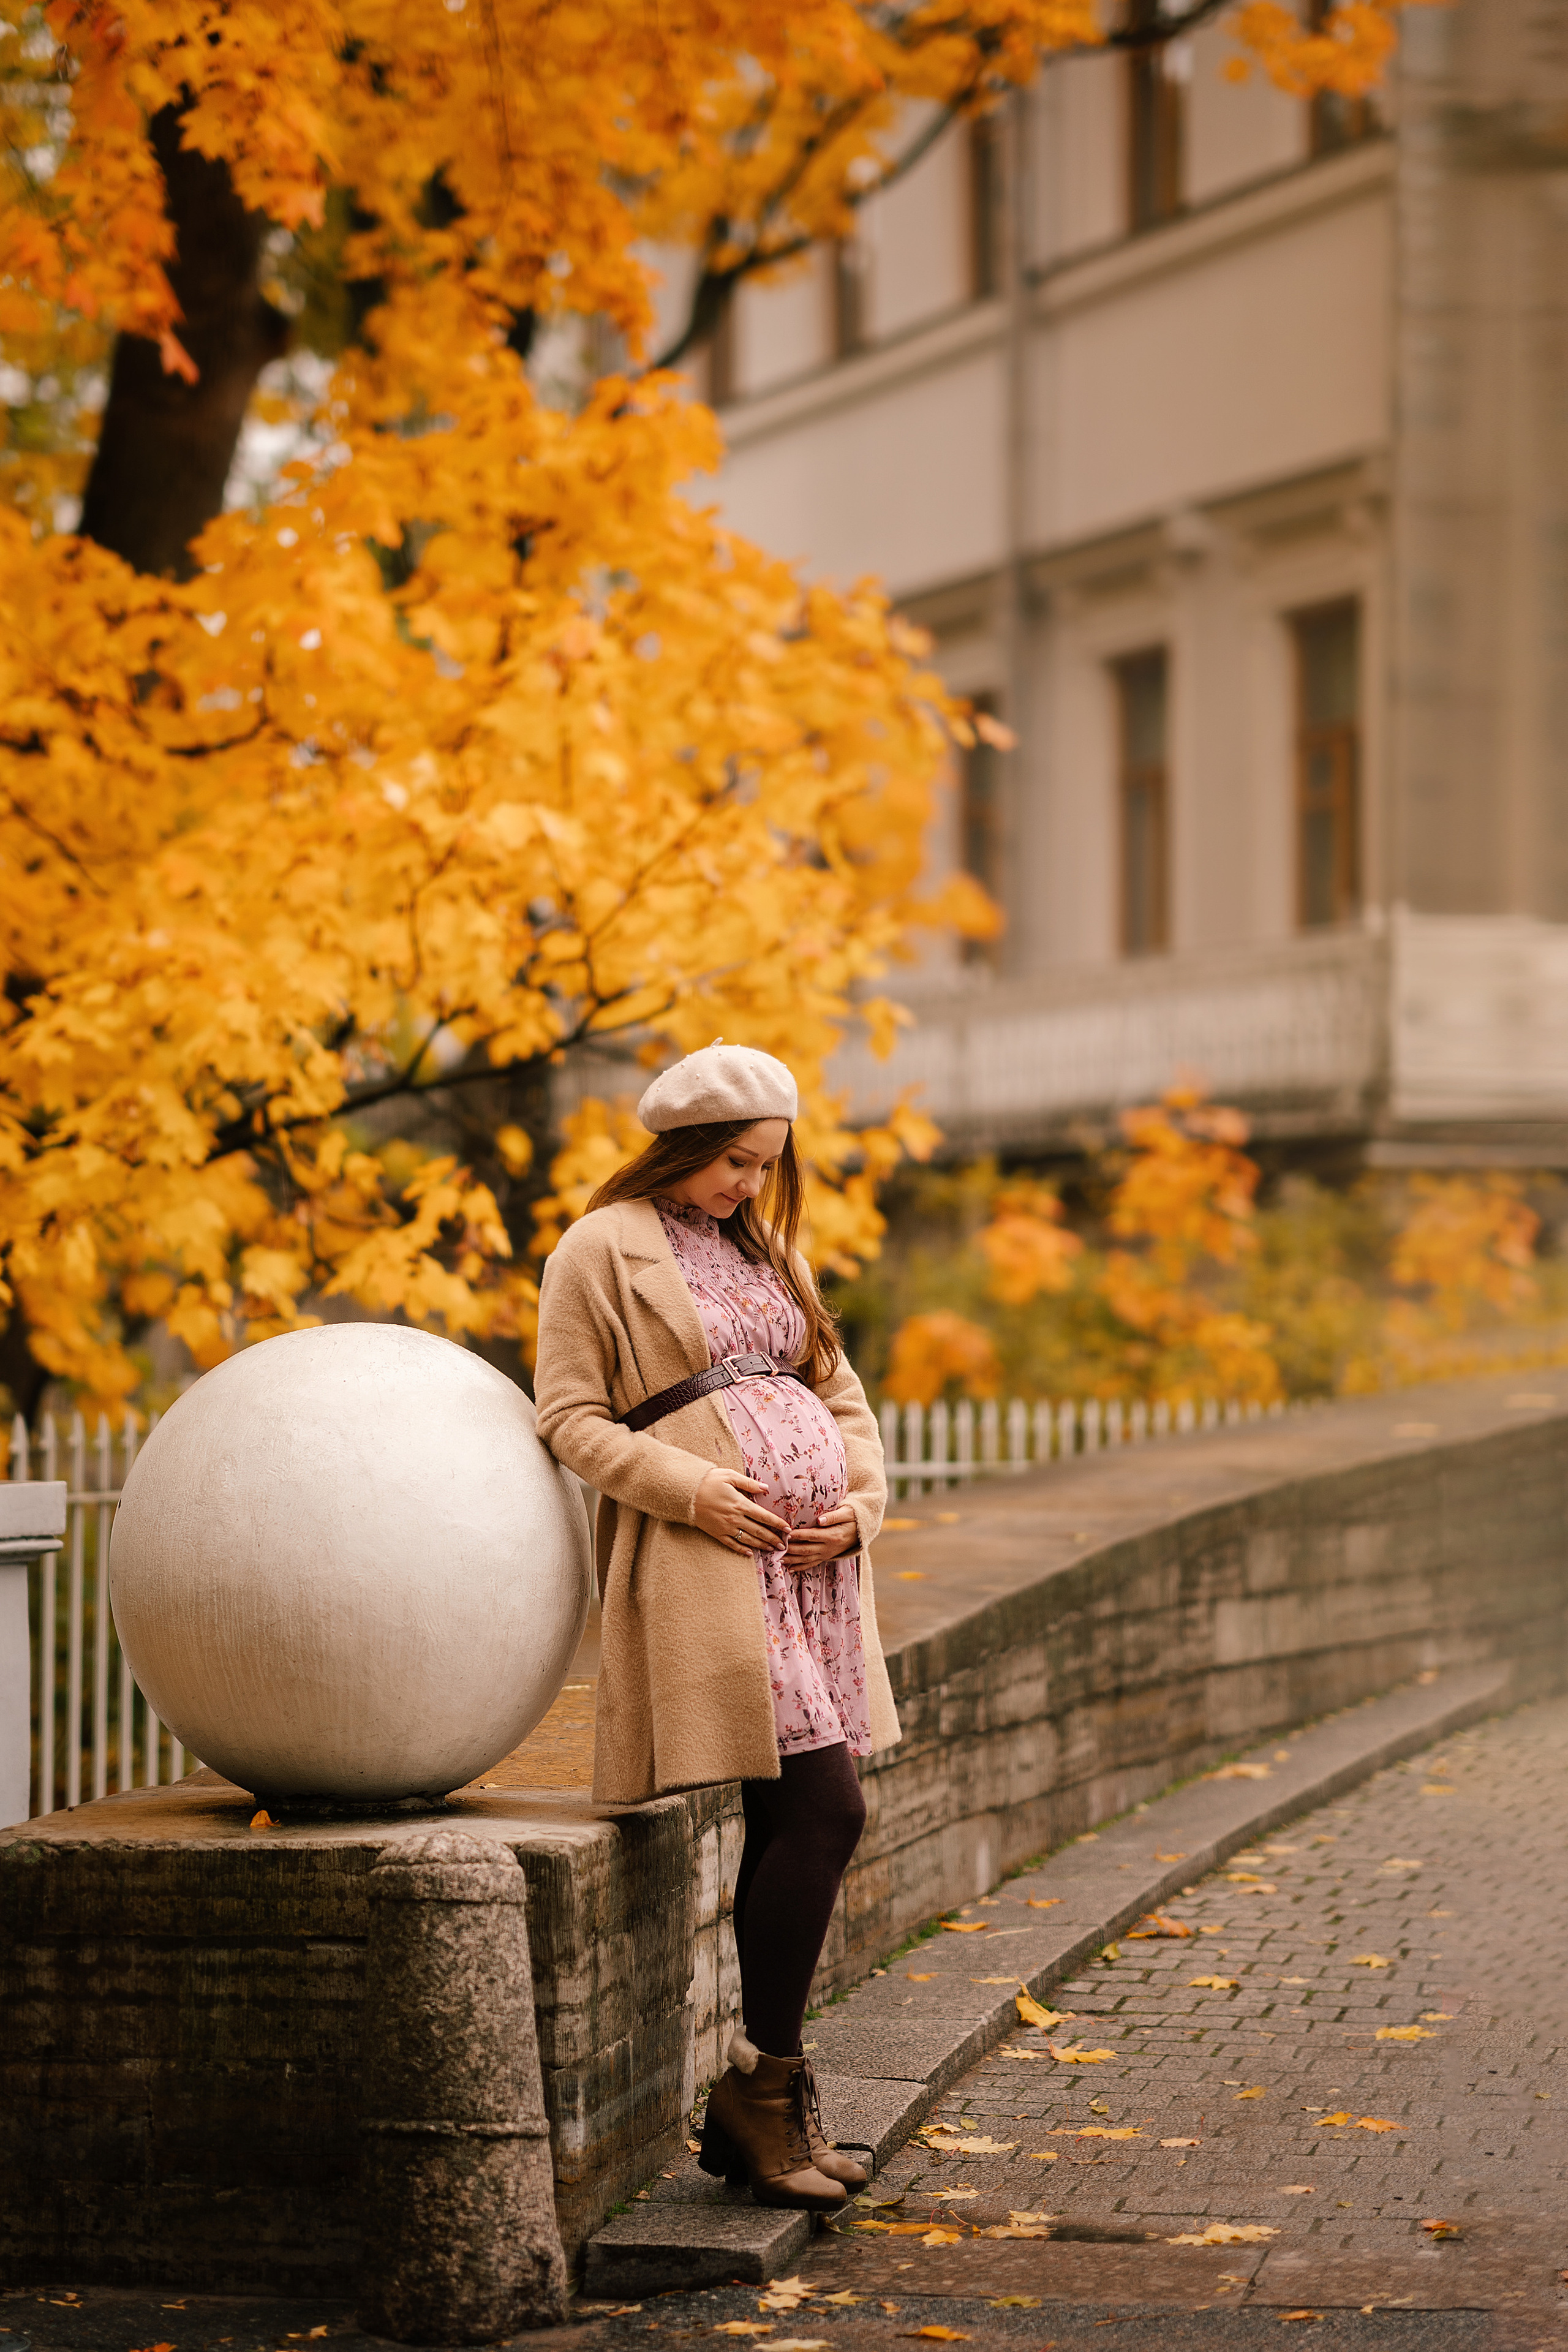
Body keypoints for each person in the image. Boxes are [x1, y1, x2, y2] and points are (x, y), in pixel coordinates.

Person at [532, 1042, 901, 2215]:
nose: (749, 1185)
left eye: (765, 1165)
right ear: (684, 1147)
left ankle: (766, 2107)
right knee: (823, 1806)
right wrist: (690, 1489)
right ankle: (761, 2097)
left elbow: (840, 1396)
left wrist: (858, 1512)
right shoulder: (599, 1252)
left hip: (809, 1577)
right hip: (708, 1565)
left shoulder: (767, 1248)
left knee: (802, 1809)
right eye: (735, 1163)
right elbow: (570, 1418)